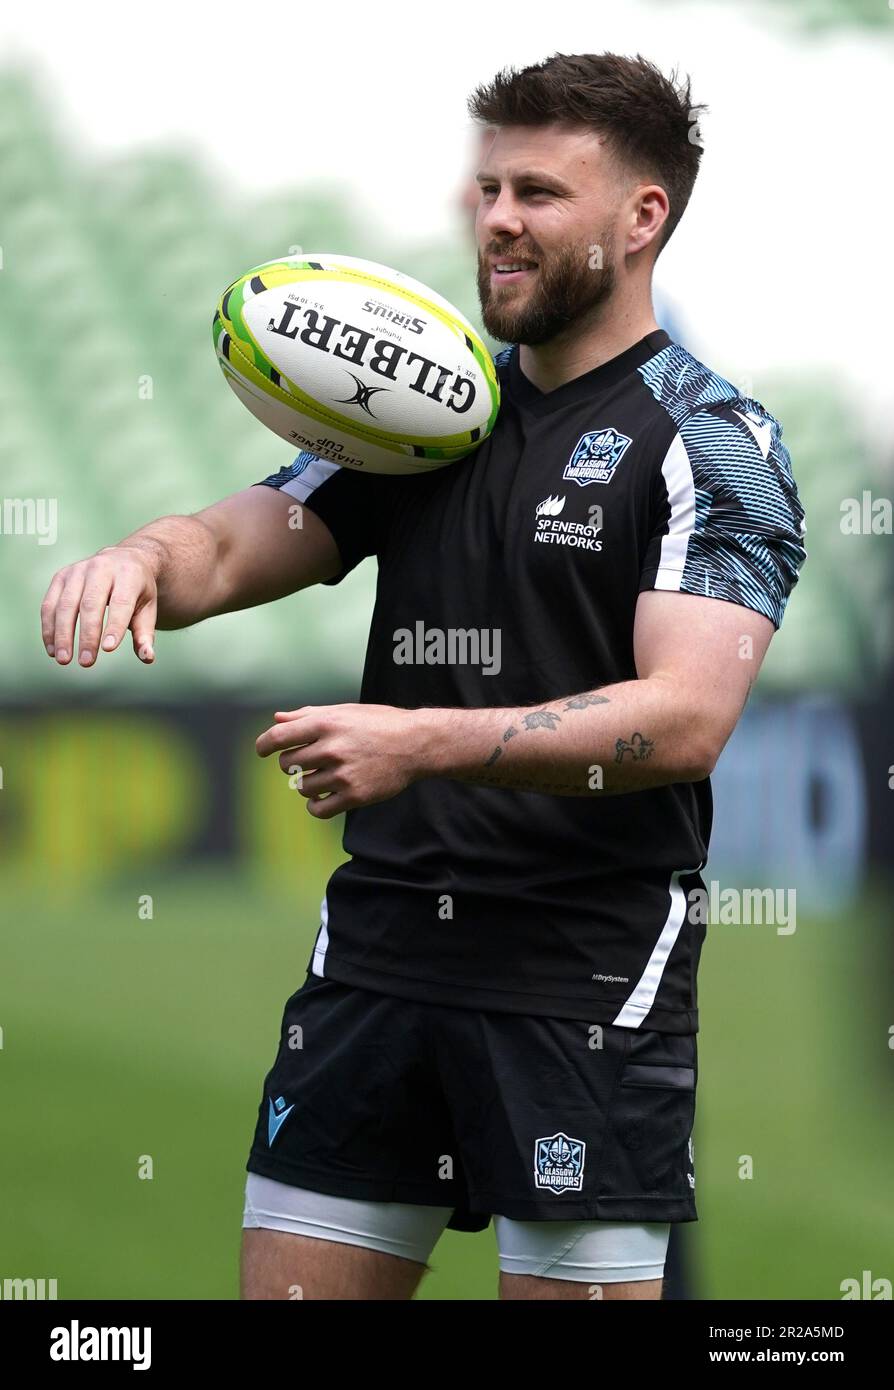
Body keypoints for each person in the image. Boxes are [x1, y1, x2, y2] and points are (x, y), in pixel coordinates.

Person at [41, 52, 807, 1301]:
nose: (498, 218)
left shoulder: (713, 442)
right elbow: (236, 541)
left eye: (541, 193)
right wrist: (139, 559)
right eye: (489, 186)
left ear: (642, 217)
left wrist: (420, 739)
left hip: (585, 987)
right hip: (380, 962)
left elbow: (685, 719)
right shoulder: (426, 414)